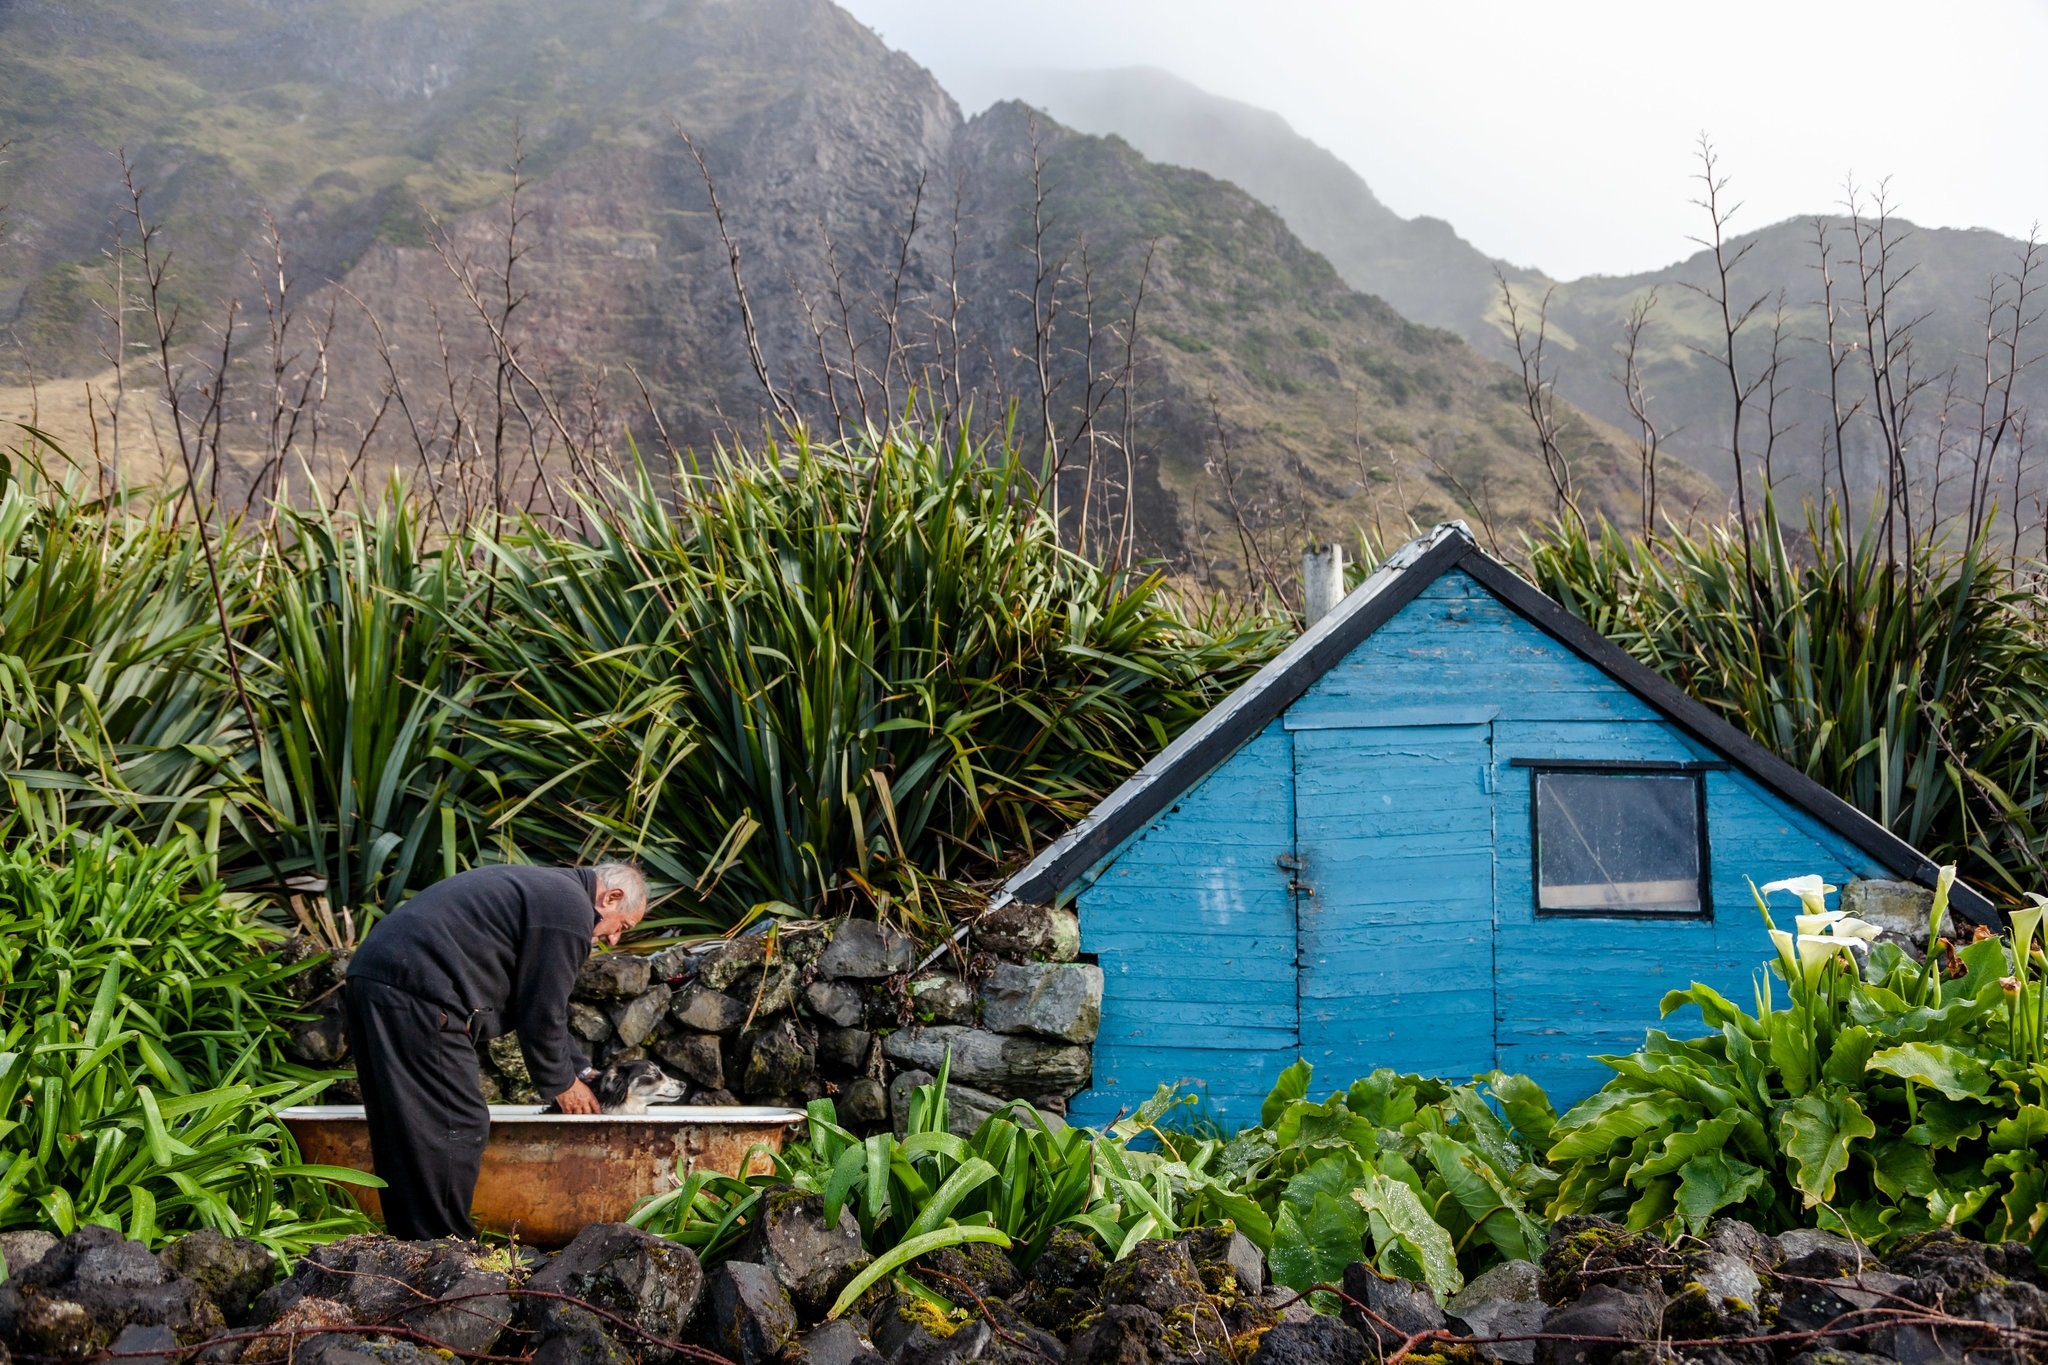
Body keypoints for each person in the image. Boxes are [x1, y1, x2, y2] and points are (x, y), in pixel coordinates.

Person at [343, 861, 648, 1239]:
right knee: (458, 1119)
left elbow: (535, 1001)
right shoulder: (570, 910)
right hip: (419, 991)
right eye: (624, 926)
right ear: (612, 897)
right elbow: (542, 1010)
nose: (615, 939)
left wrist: (582, 1072)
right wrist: (562, 1085)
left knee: (405, 1123)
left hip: (375, 979)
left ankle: (411, 1242)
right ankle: (445, 1247)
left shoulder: (549, 890)